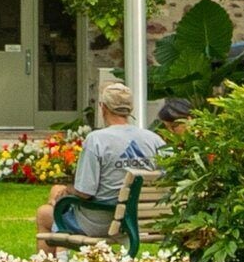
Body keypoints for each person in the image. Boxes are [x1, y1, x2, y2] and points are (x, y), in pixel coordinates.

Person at [44, 79, 166, 240]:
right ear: (131, 109)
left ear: (103, 108)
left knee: (44, 214)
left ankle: (59, 261)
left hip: (101, 222)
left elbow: (85, 192)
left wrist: (68, 190)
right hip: (142, 219)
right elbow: (168, 179)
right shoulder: (155, 140)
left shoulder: (97, 140)